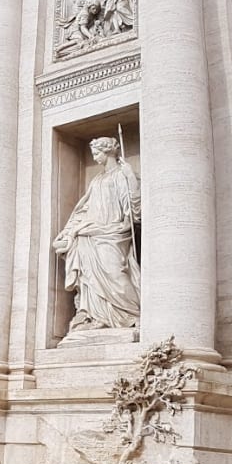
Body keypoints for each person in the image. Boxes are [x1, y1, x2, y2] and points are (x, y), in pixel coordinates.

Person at [53, 137, 141, 331]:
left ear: (108, 152)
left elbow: (134, 208)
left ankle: (134, 313)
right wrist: (68, 232)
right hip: (91, 233)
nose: (94, 157)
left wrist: (131, 179)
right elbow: (83, 210)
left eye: (96, 153)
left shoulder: (122, 175)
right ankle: (97, 315)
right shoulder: (97, 180)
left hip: (114, 232)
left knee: (115, 273)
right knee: (90, 278)